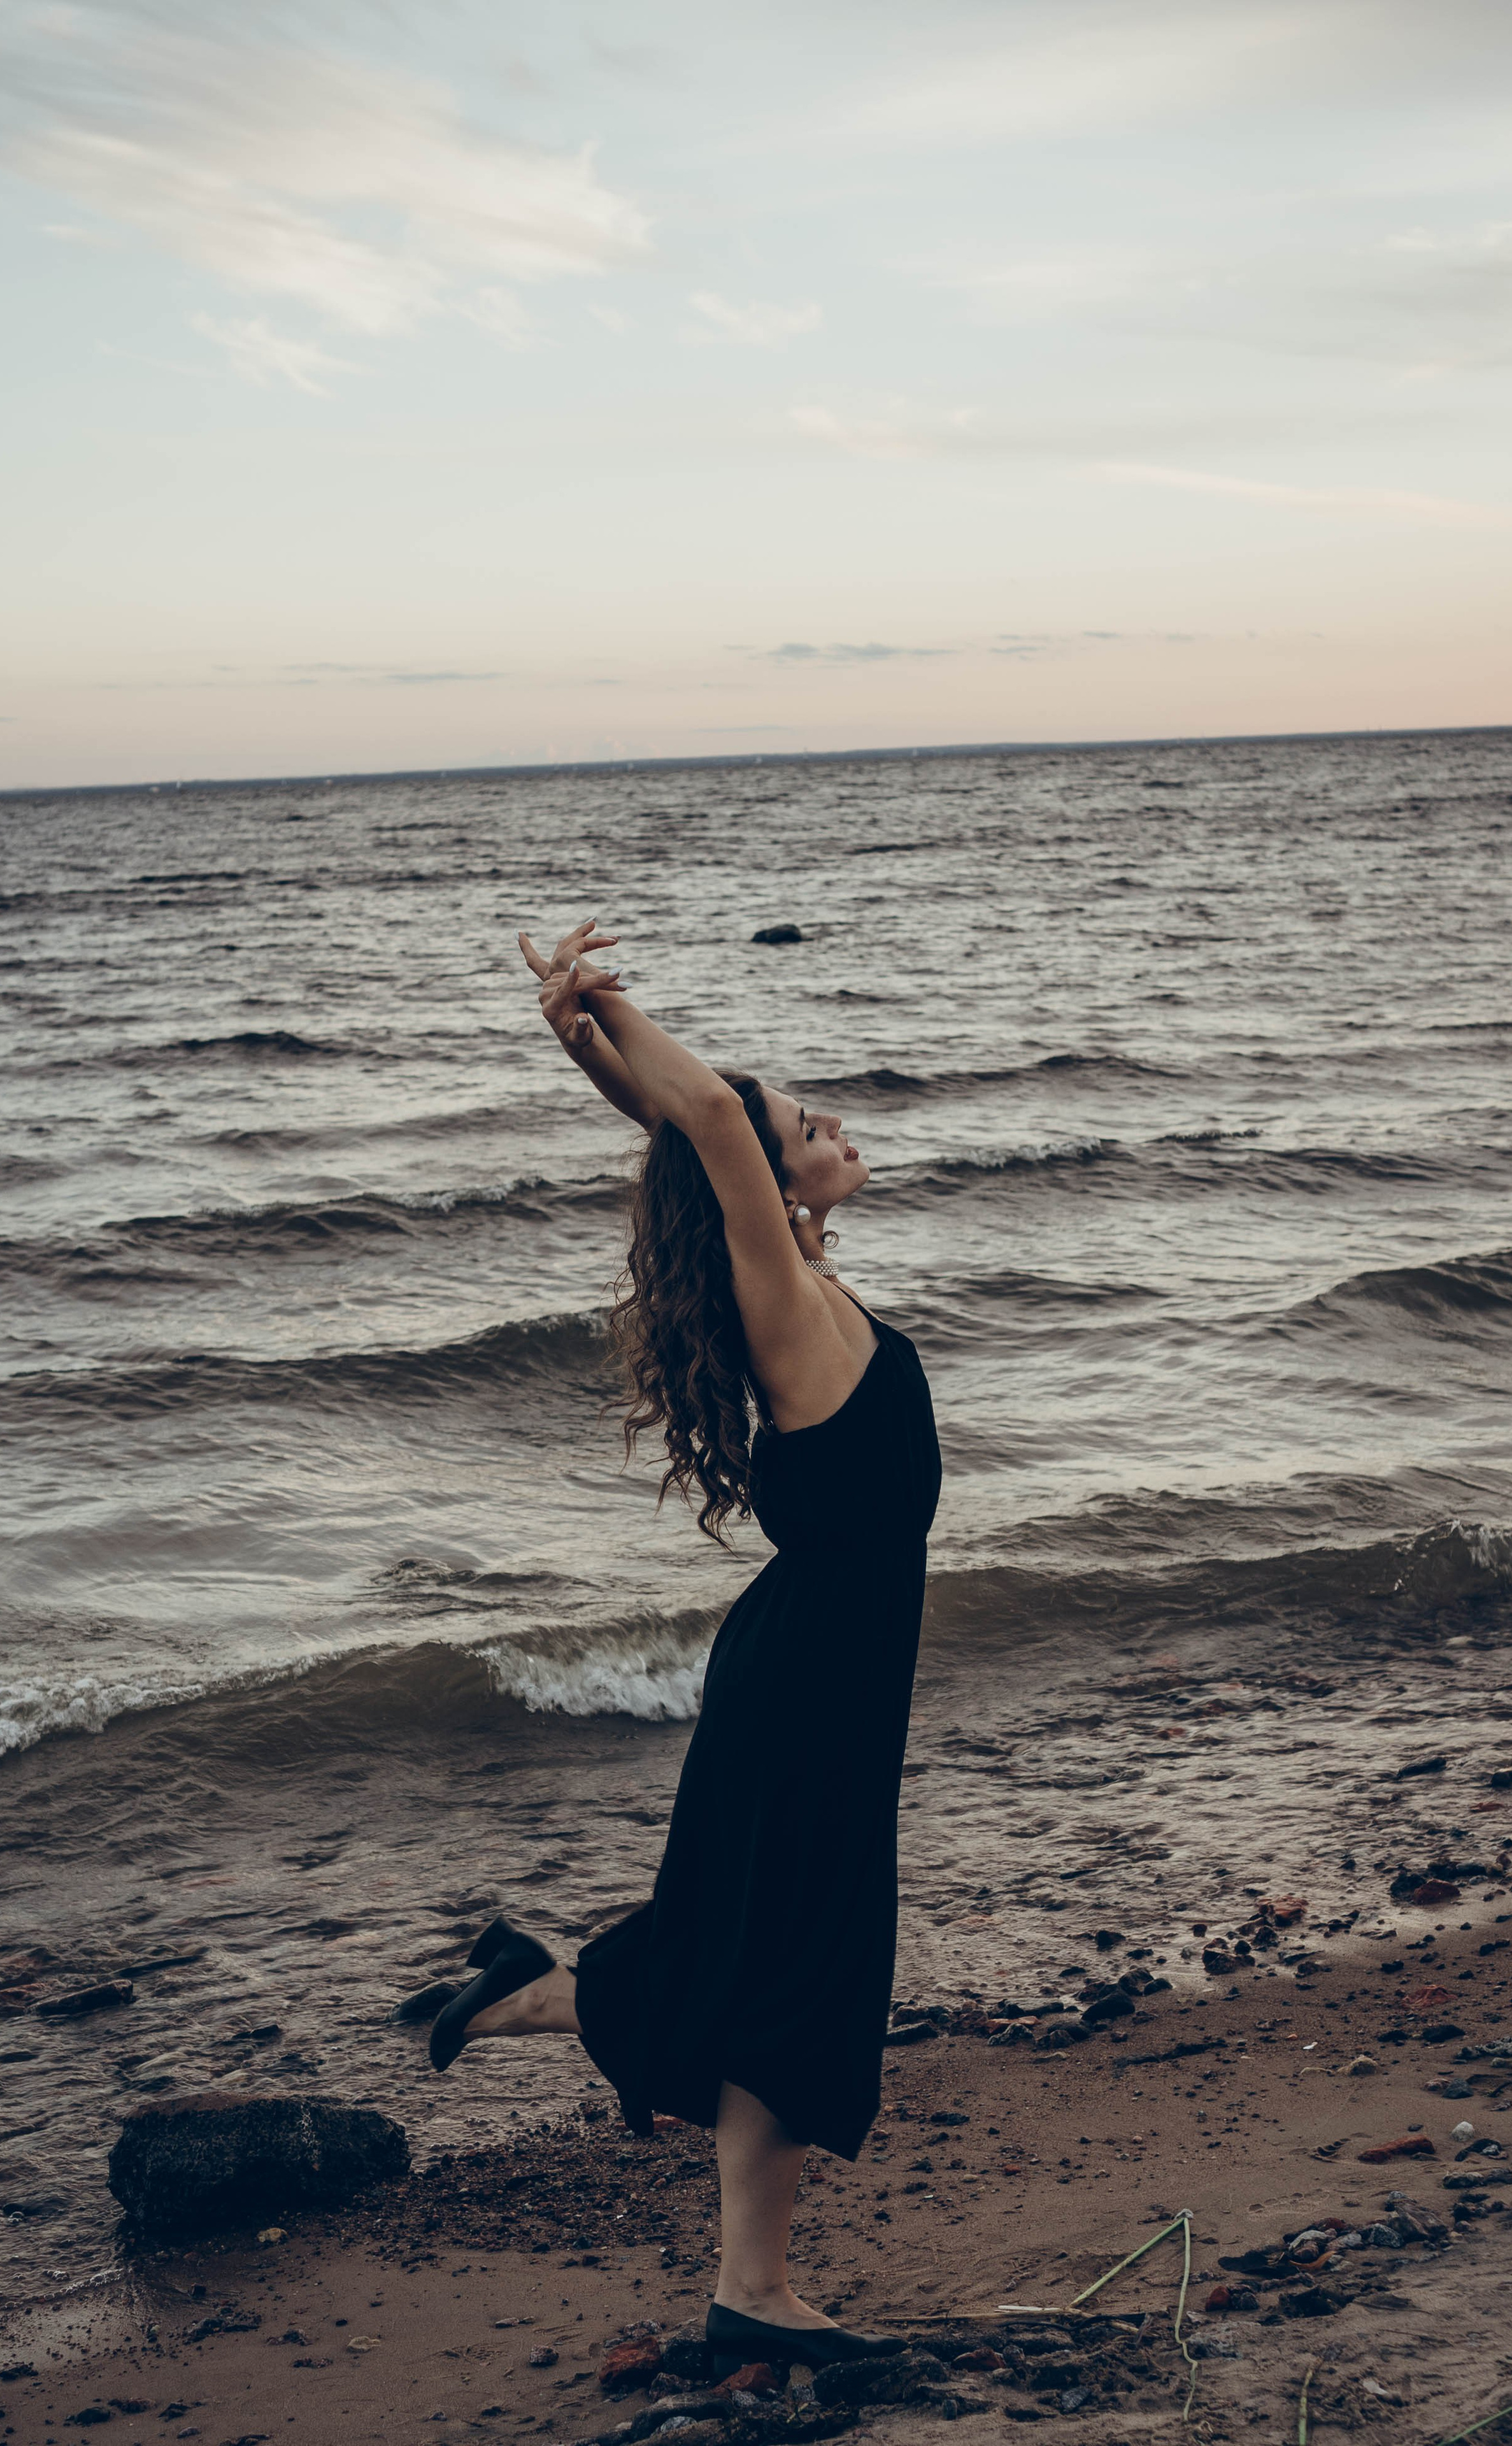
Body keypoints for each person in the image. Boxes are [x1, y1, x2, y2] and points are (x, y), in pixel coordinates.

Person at [427, 915, 941, 2375]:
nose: (826, 1123)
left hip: (817, 1665)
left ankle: (545, 1997)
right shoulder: (779, 1293)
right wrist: (601, 998)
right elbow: (706, 1117)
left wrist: (592, 1055)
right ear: (761, 1183)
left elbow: (685, 1130)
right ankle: (750, 2292)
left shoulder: (795, 1280)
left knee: (768, 1947)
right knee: (793, 1966)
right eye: (800, 1124)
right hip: (812, 1678)